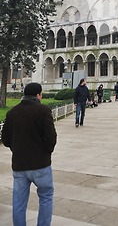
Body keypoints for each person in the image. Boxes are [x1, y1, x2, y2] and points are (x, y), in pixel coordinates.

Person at [2, 82, 57, 226]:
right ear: (38, 95)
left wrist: (18, 148)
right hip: (40, 164)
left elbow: (5, 139)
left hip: (20, 164)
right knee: (46, 197)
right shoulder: (43, 111)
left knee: (19, 202)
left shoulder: (12, 112)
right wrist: (46, 152)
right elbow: (51, 138)